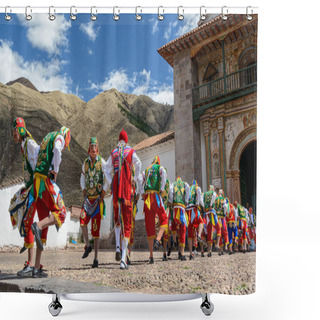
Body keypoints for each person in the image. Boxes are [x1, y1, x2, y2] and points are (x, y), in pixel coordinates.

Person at [30, 126, 70, 277]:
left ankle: (36, 267)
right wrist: (56, 171)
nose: (65, 146)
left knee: (44, 223)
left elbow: (35, 154)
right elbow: (58, 151)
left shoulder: (46, 138)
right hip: (46, 181)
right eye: (67, 143)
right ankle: (37, 226)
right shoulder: (59, 137)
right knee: (61, 213)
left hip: (37, 182)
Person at [105, 129, 141, 270]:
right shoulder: (130, 151)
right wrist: (135, 179)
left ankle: (118, 248)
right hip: (126, 190)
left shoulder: (113, 153)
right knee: (127, 223)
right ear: (126, 140)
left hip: (116, 191)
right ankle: (124, 260)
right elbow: (138, 164)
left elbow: (107, 169)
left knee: (117, 220)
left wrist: (112, 181)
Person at [9, 117, 39, 276]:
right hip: (29, 188)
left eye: (14, 130)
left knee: (27, 221)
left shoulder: (30, 144)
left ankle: (32, 264)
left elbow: (40, 157)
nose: (13, 134)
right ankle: (28, 245)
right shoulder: (23, 145)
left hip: (34, 189)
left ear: (19, 129)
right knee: (15, 205)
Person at [80, 137, 107, 268]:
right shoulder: (84, 163)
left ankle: (96, 258)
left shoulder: (102, 162)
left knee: (95, 230)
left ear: (98, 149)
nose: (93, 150)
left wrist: (104, 192)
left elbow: (107, 177)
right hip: (87, 199)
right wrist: (83, 189)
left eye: (95, 148)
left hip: (97, 200)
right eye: (91, 148)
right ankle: (88, 245)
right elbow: (82, 177)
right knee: (82, 221)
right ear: (88, 149)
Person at [139, 156, 168, 264]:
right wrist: (161, 189)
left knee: (150, 226)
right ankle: (158, 239)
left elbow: (139, 179)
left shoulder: (146, 170)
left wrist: (142, 191)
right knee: (164, 219)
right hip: (155, 197)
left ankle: (151, 256)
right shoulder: (159, 167)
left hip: (147, 200)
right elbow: (164, 174)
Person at [168, 177, 190, 261]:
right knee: (183, 230)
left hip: (174, 208)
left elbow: (170, 191)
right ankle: (182, 253)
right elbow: (188, 193)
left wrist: (171, 200)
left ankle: (175, 242)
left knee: (174, 227)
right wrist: (186, 200)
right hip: (181, 208)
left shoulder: (173, 184)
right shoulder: (185, 184)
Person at [186, 180, 205, 260]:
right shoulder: (197, 188)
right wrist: (203, 206)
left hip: (187, 211)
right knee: (201, 222)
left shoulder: (188, 188)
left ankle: (191, 254)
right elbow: (200, 200)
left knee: (190, 233)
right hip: (194, 209)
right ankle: (199, 235)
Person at [203, 186, 221, 256]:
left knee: (209, 231)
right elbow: (214, 197)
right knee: (218, 229)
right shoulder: (213, 193)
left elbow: (202, 201)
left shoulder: (204, 194)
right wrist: (211, 205)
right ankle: (217, 245)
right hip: (212, 213)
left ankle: (209, 251)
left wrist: (204, 206)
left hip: (207, 214)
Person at [215, 189, 229, 254]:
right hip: (222, 218)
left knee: (219, 232)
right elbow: (225, 207)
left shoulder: (216, 199)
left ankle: (220, 249)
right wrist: (225, 213)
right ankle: (226, 246)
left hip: (217, 217)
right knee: (225, 232)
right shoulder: (223, 199)